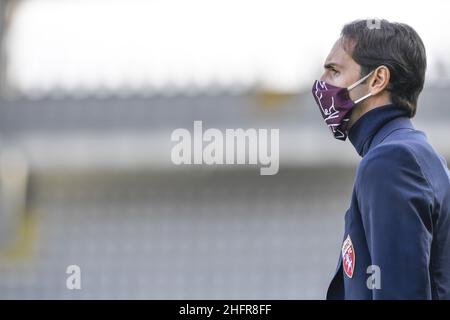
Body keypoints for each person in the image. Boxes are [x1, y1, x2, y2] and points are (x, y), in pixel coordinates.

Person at [311, 19, 450, 299]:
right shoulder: (415, 153)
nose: (321, 84)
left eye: (334, 71)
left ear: (377, 80)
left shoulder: (392, 160)